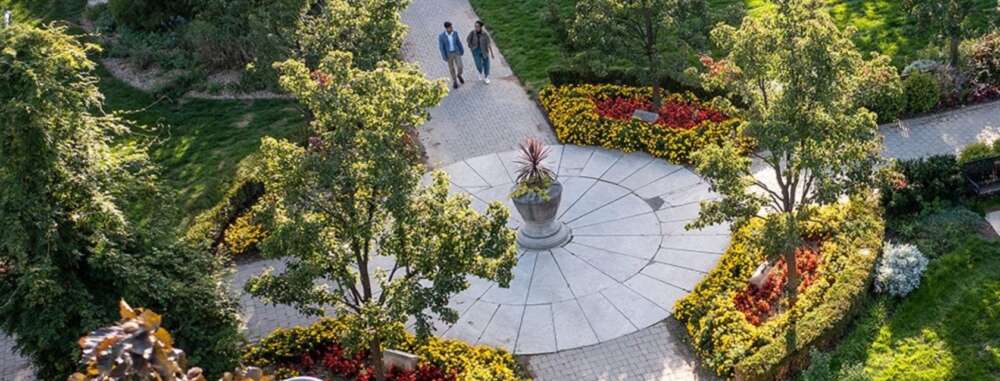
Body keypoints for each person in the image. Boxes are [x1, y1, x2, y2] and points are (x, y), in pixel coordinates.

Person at [438, 21, 465, 89]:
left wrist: (461, 50)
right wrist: (444, 56)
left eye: (452, 27)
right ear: (447, 28)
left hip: (456, 52)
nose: (452, 28)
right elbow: (441, 47)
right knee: (451, 68)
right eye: (450, 27)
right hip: (448, 54)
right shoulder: (442, 36)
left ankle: (459, 75)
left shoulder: (455, 33)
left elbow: (458, 42)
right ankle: (455, 81)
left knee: (460, 66)